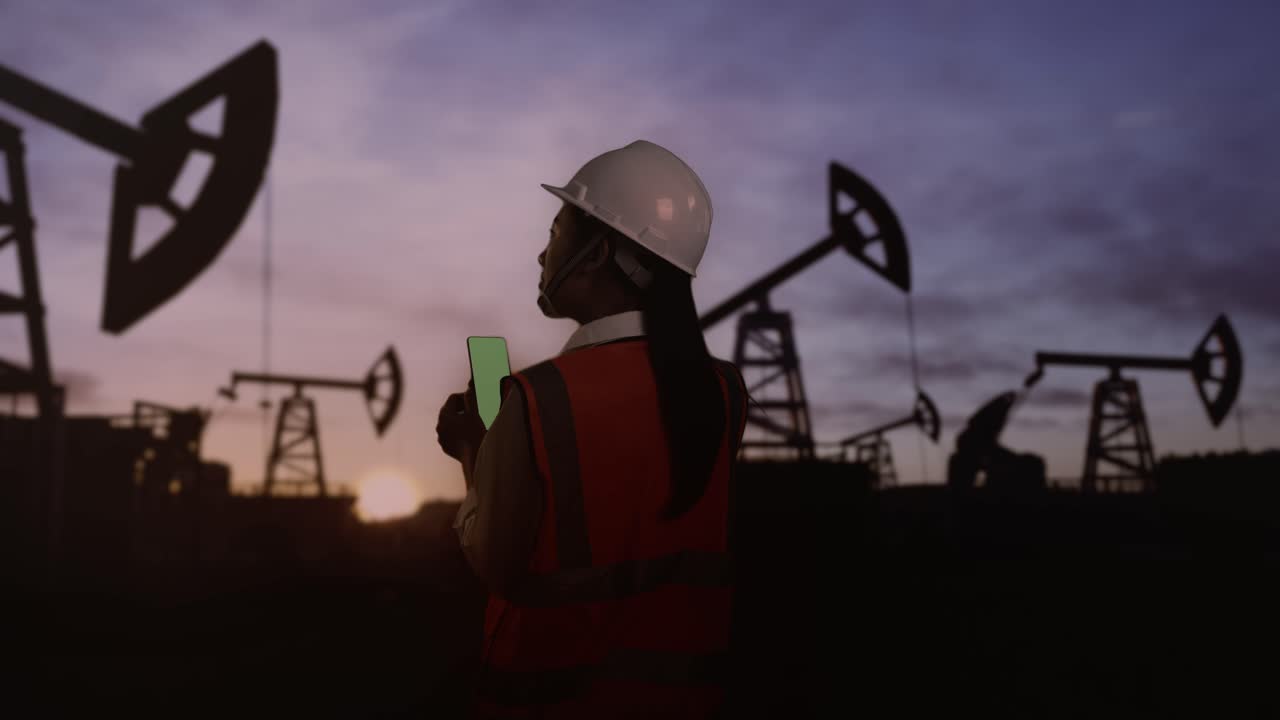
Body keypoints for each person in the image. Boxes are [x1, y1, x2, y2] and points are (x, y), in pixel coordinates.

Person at [435, 139, 749, 718]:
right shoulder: (725, 392)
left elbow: (498, 563)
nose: (541, 256)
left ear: (600, 252)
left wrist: (472, 452)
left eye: (555, 233)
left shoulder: (536, 398)